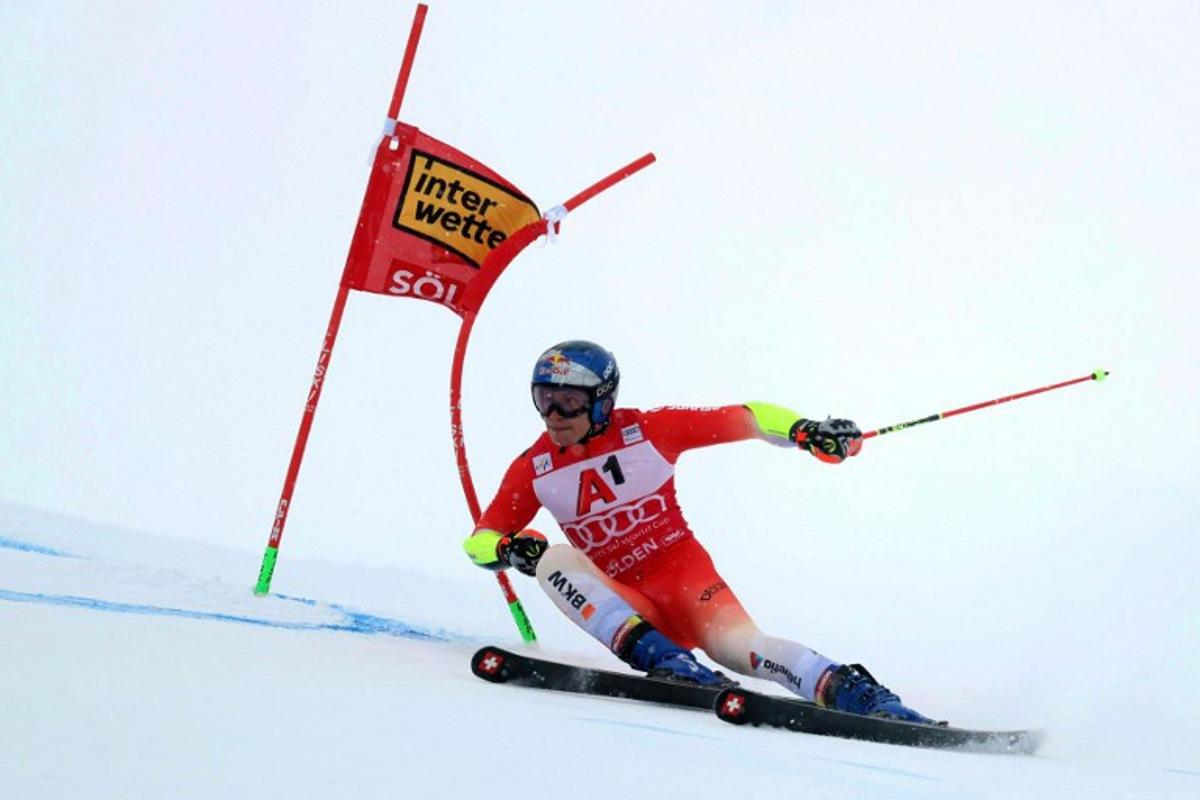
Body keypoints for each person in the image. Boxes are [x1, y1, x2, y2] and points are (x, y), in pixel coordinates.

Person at [463, 340, 935, 723]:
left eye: (569, 402)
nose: (554, 416)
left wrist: (805, 430)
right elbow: (479, 541)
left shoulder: (650, 430)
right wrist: (508, 549)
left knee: (745, 648)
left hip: (685, 583)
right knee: (551, 558)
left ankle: (859, 697)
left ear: (603, 400)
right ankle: (668, 662)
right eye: (545, 401)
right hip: (625, 604)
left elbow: (748, 417)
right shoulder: (534, 468)